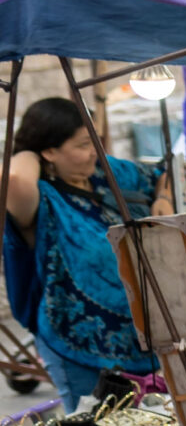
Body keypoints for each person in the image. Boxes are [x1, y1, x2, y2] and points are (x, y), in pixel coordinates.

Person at [1, 97, 167, 406]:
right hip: (78, 350)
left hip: (143, 342)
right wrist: (26, 148)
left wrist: (164, 200)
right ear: (49, 152)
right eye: (81, 145)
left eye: (94, 140)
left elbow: (162, 174)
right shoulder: (40, 199)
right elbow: (12, 179)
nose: (94, 151)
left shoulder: (105, 173)